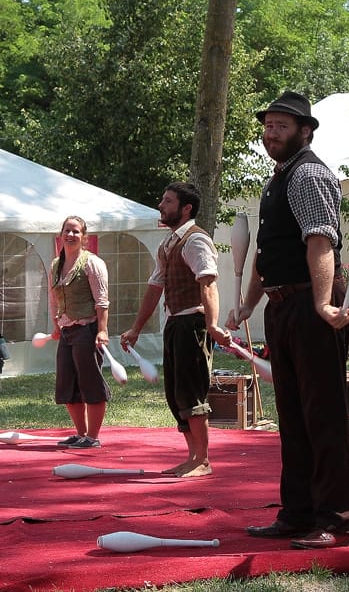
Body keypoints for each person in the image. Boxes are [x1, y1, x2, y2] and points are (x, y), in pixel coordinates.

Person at [227, 91, 349, 549]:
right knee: (293, 416)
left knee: (321, 416)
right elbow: (268, 252)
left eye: (282, 126)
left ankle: (334, 521)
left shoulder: (308, 175)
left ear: (305, 131)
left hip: (308, 305)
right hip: (283, 307)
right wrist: (247, 305)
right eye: (268, 125)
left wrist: (323, 304)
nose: (271, 133)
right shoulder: (276, 180)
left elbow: (320, 242)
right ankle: (297, 514)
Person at [121, 183, 231, 477]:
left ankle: (203, 460)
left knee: (192, 392)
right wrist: (135, 329)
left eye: (167, 201)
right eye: (162, 199)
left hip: (192, 325)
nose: (160, 205)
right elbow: (155, 288)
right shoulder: (167, 244)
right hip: (175, 325)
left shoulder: (196, 241)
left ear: (186, 209)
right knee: (176, 393)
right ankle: (193, 456)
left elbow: (208, 284)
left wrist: (212, 325)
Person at [48, 216, 111, 449]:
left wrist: (102, 330)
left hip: (87, 329)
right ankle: (81, 433)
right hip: (67, 330)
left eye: (76, 231)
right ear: (61, 234)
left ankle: (93, 437)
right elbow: (53, 298)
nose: (71, 235)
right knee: (67, 384)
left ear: (83, 236)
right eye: (67, 230)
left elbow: (102, 301)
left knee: (90, 383)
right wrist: (56, 325)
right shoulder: (56, 265)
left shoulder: (92, 263)